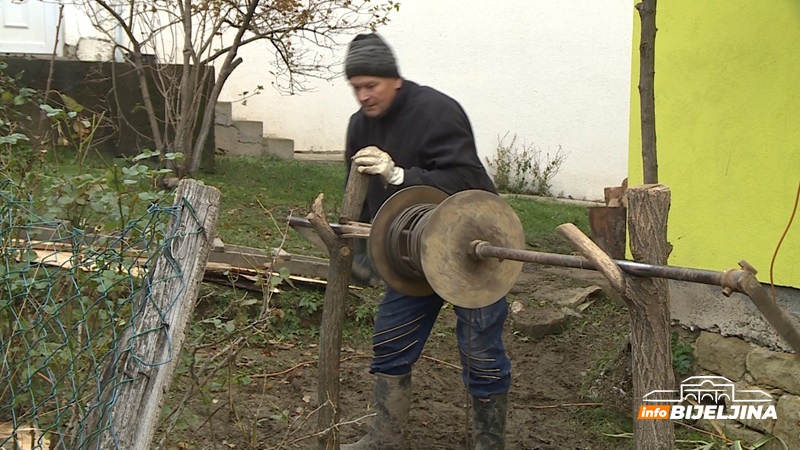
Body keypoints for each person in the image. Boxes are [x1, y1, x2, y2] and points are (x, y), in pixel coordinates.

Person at [341, 33, 511, 450]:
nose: (363, 95)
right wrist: (361, 248)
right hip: (412, 255)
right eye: (356, 87)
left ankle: (489, 444)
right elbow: (359, 195)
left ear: (393, 78)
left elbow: (468, 181)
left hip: (475, 249)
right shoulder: (359, 125)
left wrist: (399, 175)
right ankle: (385, 437)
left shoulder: (436, 111)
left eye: (371, 86)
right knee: (390, 338)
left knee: (480, 351)